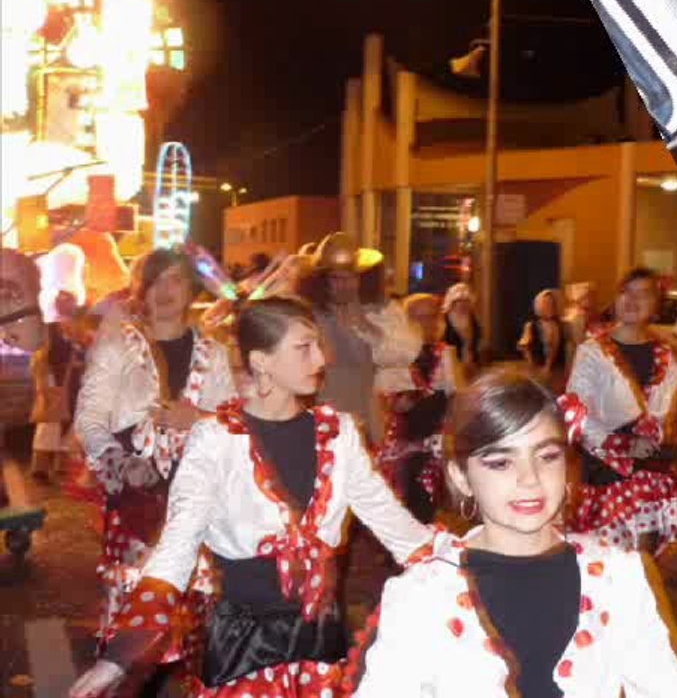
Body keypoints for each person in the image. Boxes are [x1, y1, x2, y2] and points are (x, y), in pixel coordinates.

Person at [69, 297, 433, 698]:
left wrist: (470, 562)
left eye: (318, 345)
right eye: (303, 347)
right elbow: (177, 546)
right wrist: (119, 655)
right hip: (244, 653)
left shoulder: (339, 434)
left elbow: (395, 525)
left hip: (320, 648)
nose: (321, 358)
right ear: (261, 361)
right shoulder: (216, 440)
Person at [348, 370, 677, 698]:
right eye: (501, 462)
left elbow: (667, 685)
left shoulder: (617, 576)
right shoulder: (423, 595)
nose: (530, 479)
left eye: (547, 456)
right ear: (462, 476)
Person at [73, 248, 237, 662]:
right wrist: (120, 463)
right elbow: (89, 418)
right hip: (136, 500)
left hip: (196, 499)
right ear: (141, 291)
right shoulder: (116, 346)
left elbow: (236, 424)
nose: (165, 290)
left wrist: (198, 417)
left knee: (193, 610)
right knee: (132, 617)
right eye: (156, 280)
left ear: (191, 290)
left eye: (176, 280)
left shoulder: (215, 354)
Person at [565, 267, 677, 555]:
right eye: (626, 291)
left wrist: (657, 441)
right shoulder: (592, 352)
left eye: (643, 294)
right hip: (605, 472)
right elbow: (576, 412)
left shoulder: (667, 356)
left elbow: (663, 415)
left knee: (645, 562)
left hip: (650, 473)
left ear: (656, 305)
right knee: (608, 561)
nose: (632, 300)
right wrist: (623, 444)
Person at [377, 293, 460, 522]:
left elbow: (455, 399)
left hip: (428, 444)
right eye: (418, 317)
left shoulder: (443, 354)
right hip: (393, 443)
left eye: (431, 316)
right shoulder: (390, 354)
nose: (426, 323)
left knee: (423, 505)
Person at [299, 232, 383, 443]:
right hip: (323, 426)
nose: (345, 284)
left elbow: (369, 380)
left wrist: (376, 436)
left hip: (360, 424)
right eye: (336, 278)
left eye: (351, 277)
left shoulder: (368, 316)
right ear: (322, 281)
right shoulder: (309, 318)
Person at [29, 291, 87, 482]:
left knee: (71, 423)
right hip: (54, 379)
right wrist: (44, 380)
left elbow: (87, 350)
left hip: (75, 381)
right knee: (49, 423)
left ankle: (62, 465)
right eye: (62, 302)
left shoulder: (80, 328)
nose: (66, 305)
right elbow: (40, 355)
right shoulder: (49, 328)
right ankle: (40, 467)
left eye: (69, 302)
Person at [518, 289, 567, 393]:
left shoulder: (560, 325)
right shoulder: (531, 326)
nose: (548, 307)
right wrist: (533, 366)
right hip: (537, 370)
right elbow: (524, 346)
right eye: (545, 304)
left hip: (557, 371)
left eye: (550, 303)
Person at [442, 282, 482, 381]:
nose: (463, 304)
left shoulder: (472, 319)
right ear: (452, 303)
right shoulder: (443, 320)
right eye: (459, 301)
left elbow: (475, 342)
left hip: (471, 366)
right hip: (449, 367)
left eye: (466, 301)